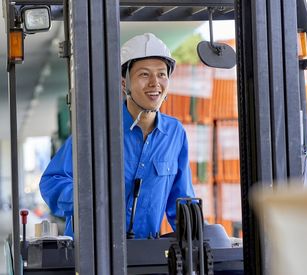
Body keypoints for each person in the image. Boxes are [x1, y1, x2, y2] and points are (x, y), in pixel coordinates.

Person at [39, 33, 195, 239]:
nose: (155, 83)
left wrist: (198, 239)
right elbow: (52, 181)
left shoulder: (175, 133)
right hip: (94, 254)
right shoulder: (96, 129)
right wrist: (87, 201)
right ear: (124, 84)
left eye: (162, 74)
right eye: (144, 75)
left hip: (145, 257)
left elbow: (182, 200)